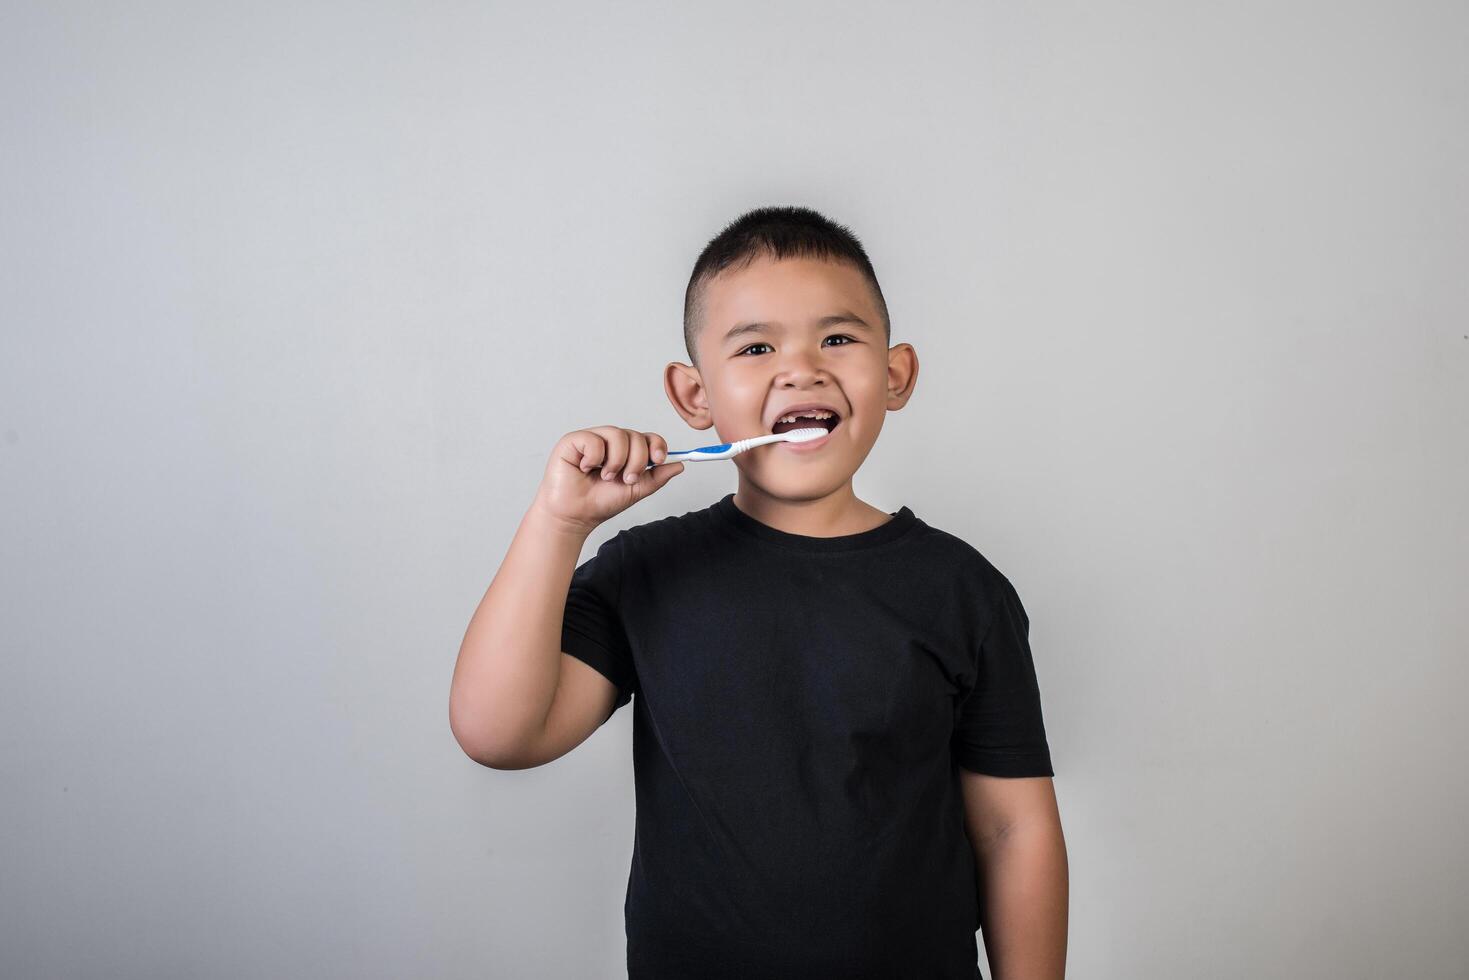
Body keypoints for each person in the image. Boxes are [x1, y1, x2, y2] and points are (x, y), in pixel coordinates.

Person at [450, 205, 1068, 979]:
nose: (801, 368)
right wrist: (557, 525)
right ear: (694, 397)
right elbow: (498, 735)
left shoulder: (963, 589)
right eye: (755, 346)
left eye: (837, 339)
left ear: (895, 374)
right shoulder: (644, 571)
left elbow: (1014, 829)